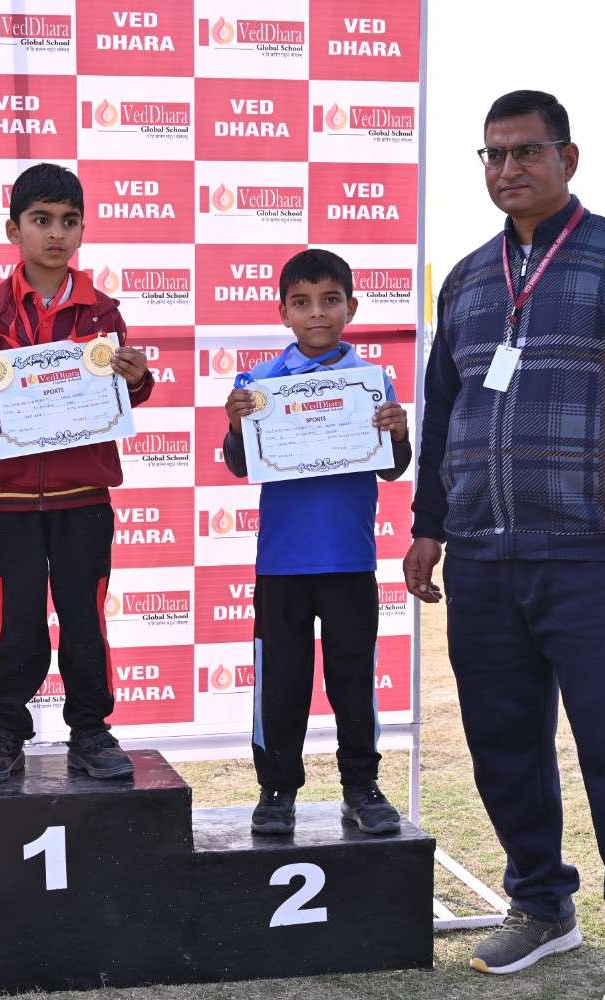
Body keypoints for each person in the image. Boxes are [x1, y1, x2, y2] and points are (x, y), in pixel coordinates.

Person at [405, 91, 605, 1000]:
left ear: (567, 159)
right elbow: (443, 411)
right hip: (482, 555)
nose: (508, 170)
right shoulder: (467, 280)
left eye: (526, 152)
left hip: (593, 551)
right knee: (503, 746)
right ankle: (540, 906)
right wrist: (428, 525)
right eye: (493, 155)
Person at [0, 163, 154, 783]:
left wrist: (138, 378)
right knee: (12, 622)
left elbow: (122, 394)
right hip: (9, 500)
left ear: (82, 229)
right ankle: (4, 730)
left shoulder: (103, 313)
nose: (56, 233)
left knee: (85, 618)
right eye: (41, 220)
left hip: (85, 497)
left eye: (68, 221)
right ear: (14, 230)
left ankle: (91, 730)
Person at [222, 249, 412, 837]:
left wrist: (397, 433)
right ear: (283, 312)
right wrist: (236, 426)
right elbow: (239, 464)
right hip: (282, 563)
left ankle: (362, 787)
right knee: (281, 681)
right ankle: (277, 790)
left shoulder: (371, 381)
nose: (317, 313)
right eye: (302, 303)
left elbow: (393, 468)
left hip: (349, 560)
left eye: (330, 301)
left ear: (351, 307)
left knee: (353, 679)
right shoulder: (258, 382)